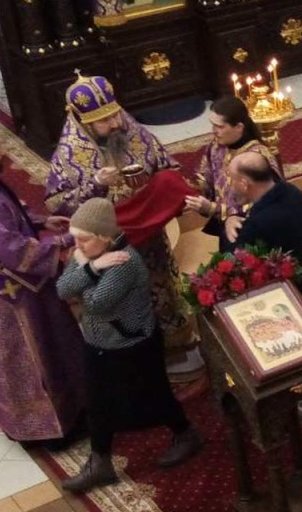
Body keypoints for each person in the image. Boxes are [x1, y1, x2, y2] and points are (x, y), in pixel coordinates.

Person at [46, 73, 194, 369]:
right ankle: (136, 359)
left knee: (161, 292)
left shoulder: (134, 132)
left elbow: (168, 166)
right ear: (83, 121)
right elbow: (56, 204)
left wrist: (158, 187)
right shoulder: (68, 155)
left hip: (150, 238)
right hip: (110, 248)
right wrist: (95, 184)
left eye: (115, 114)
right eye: (104, 120)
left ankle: (173, 348)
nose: (115, 124)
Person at [56, 199, 202, 494]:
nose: (77, 246)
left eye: (84, 239)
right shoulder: (90, 255)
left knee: (155, 394)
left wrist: (85, 271)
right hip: (99, 341)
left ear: (104, 237)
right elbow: (62, 289)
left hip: (132, 343)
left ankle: (185, 434)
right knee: (97, 400)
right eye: (76, 239)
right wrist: (92, 266)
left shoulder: (124, 262)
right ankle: (101, 462)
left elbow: (96, 303)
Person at [0, 122, 85, 445]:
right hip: (8, 291)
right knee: (31, 355)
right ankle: (48, 428)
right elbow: (15, 250)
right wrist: (65, 239)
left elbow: (6, 214)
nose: (3, 153)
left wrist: (40, 221)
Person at [225, 152, 302, 319]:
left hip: (288, 303)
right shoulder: (293, 193)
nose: (230, 186)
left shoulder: (258, 223)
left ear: (244, 184)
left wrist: (228, 223)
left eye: (232, 180)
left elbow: (233, 258)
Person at [185, 95, 277, 251]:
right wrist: (188, 189)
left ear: (239, 127)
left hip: (253, 233)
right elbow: (205, 180)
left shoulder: (257, 158)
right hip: (226, 227)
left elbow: (266, 203)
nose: (214, 131)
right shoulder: (216, 147)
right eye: (213, 125)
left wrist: (214, 209)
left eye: (220, 127)